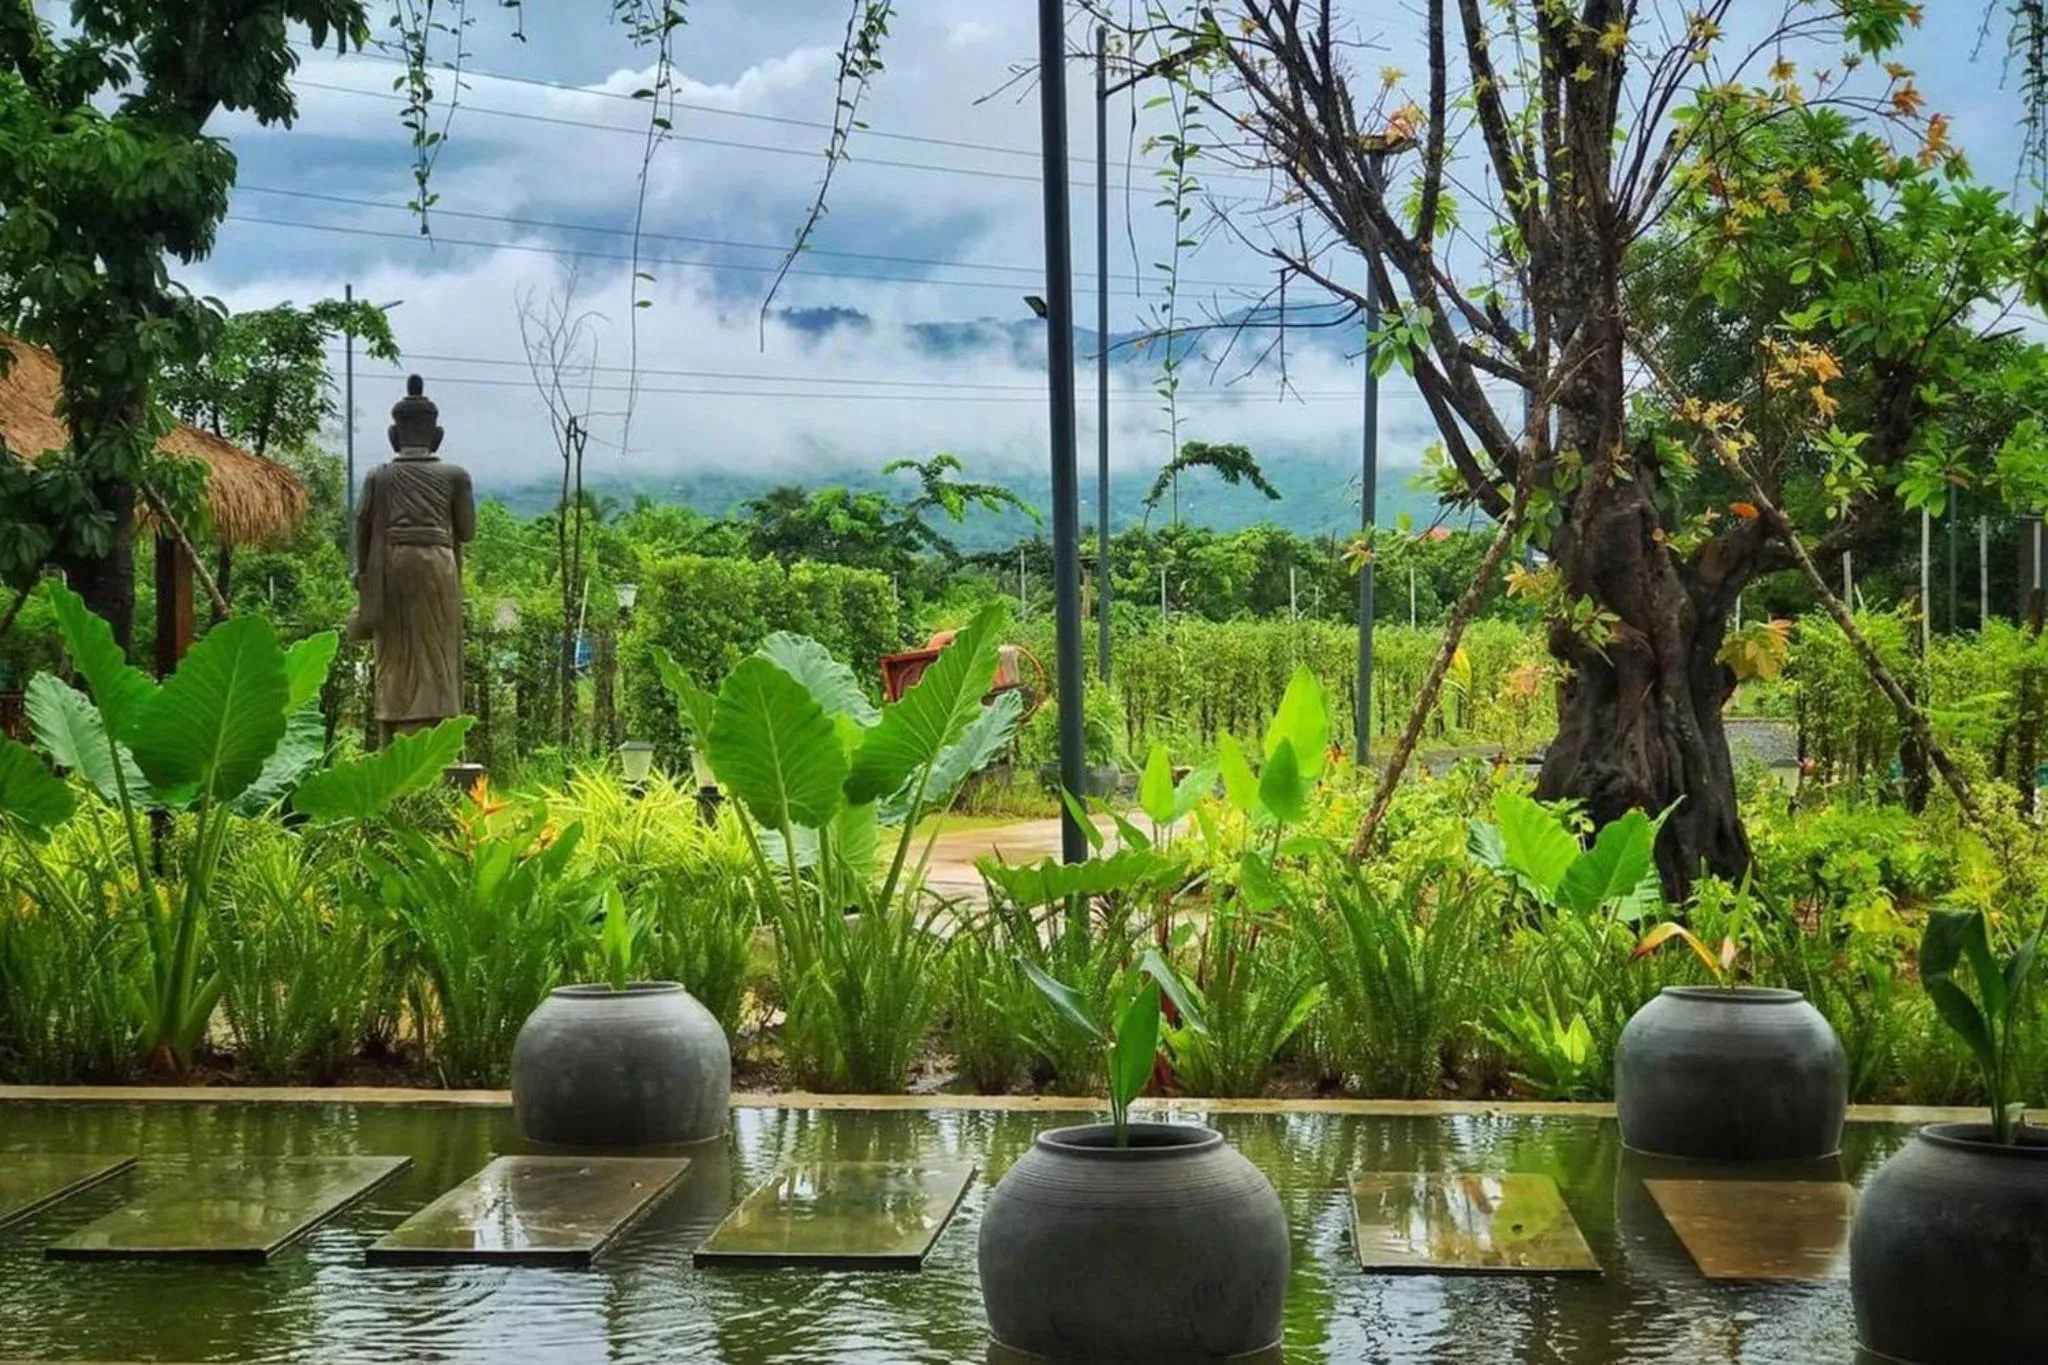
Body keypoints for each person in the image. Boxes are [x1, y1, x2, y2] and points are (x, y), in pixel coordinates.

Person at [348, 375, 475, 743]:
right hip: (438, 564)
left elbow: (361, 522)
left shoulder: (379, 476)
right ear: (437, 436)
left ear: (393, 435)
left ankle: (395, 727)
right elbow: (466, 531)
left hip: (391, 566)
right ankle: (437, 729)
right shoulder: (456, 476)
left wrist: (363, 571)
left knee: (394, 651)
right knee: (438, 646)